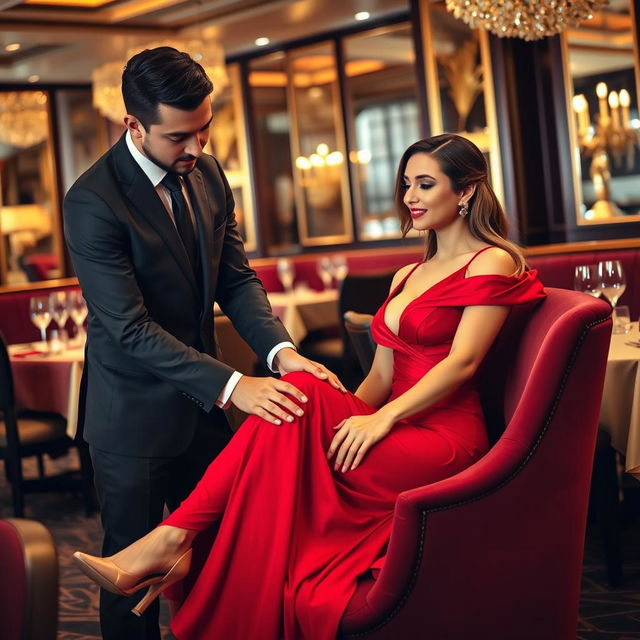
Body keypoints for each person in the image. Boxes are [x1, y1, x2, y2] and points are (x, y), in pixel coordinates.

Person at [73, 133, 546, 640]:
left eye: (425, 184)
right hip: (391, 423)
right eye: (406, 183)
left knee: (298, 397)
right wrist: (340, 416)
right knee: (300, 392)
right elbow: (380, 377)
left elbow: (463, 363)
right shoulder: (407, 274)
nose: (409, 196)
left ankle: (171, 540)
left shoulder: (492, 260)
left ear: (467, 192)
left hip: (444, 438)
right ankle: (174, 540)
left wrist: (380, 419)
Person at [63, 46, 343, 640]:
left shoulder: (209, 174)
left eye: (205, 130)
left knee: (225, 560)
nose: (196, 149)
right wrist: (235, 385)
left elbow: (236, 280)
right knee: (132, 576)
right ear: (132, 125)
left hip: (207, 412)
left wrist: (282, 354)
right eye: (179, 137)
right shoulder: (91, 201)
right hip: (133, 418)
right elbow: (131, 329)